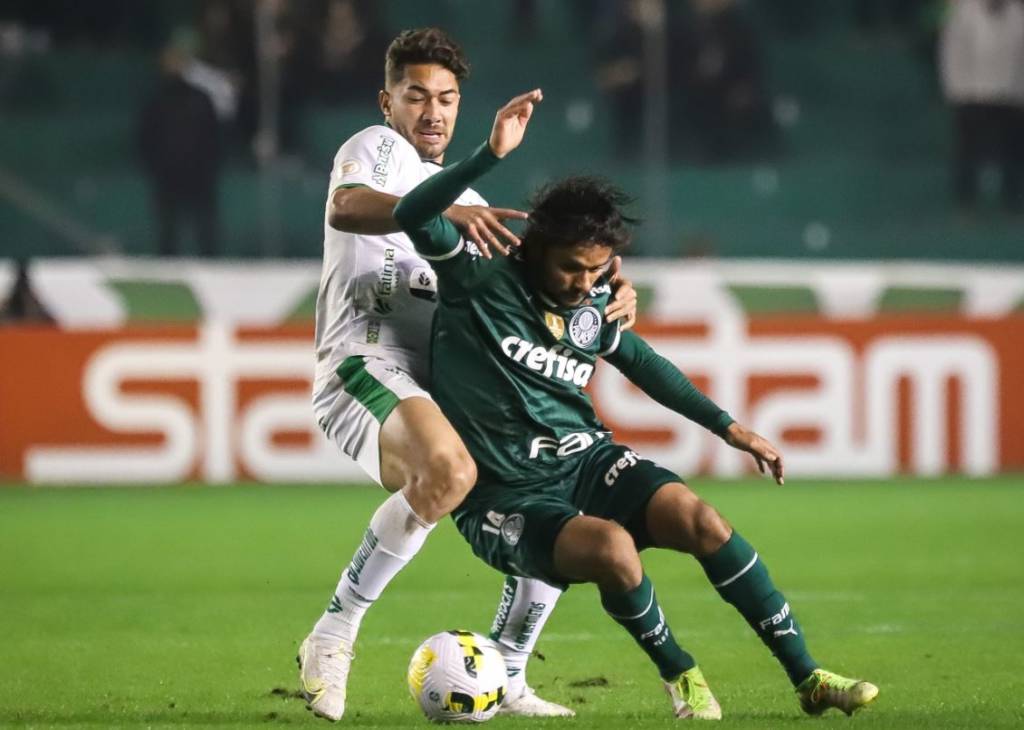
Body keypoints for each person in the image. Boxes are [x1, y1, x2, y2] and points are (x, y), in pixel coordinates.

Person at [392, 89, 880, 720]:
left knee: (700, 519)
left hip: (587, 463)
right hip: (503, 494)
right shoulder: (477, 280)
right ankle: (681, 673)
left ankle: (809, 678)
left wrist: (732, 430)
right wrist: (488, 155)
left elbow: (644, 364)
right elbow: (411, 210)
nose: (583, 284)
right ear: (535, 248)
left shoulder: (594, 303)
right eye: (571, 268)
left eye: (597, 271)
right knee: (613, 550)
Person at [298, 28, 638, 721]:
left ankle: (509, 671)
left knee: (547, 493)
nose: (432, 111)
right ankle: (332, 634)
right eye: (416, 95)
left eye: (446, 98)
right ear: (385, 100)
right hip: (366, 362)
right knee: (450, 473)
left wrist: (613, 292)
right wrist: (439, 208)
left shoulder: (469, 205)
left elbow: (544, 282)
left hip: (444, 385)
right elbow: (346, 207)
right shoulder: (377, 149)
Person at [939, 0, 1024, 214]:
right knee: (968, 152)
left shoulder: (1017, 14)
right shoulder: (963, 11)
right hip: (972, 94)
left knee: (1013, 152)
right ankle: (966, 202)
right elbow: (952, 53)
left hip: (1010, 95)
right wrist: (957, 91)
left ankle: (1012, 201)